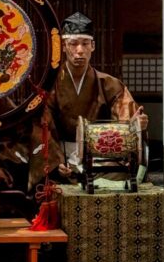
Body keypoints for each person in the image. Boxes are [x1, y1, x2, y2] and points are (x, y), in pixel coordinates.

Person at [31, 11, 147, 184]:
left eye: (85, 44)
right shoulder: (49, 86)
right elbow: (43, 126)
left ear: (93, 46)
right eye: (73, 44)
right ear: (63, 46)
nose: (80, 51)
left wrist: (136, 124)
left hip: (100, 157)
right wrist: (56, 161)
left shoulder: (110, 84)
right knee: (45, 179)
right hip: (62, 155)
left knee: (122, 174)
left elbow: (126, 120)